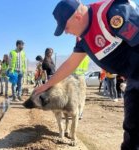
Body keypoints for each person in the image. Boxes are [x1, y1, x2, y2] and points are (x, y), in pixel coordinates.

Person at [34, 0, 139, 149]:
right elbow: (70, 65)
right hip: (133, 80)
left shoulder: (113, 14)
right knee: (132, 131)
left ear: (76, 16)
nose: (66, 32)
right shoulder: (82, 40)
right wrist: (46, 86)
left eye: (66, 27)